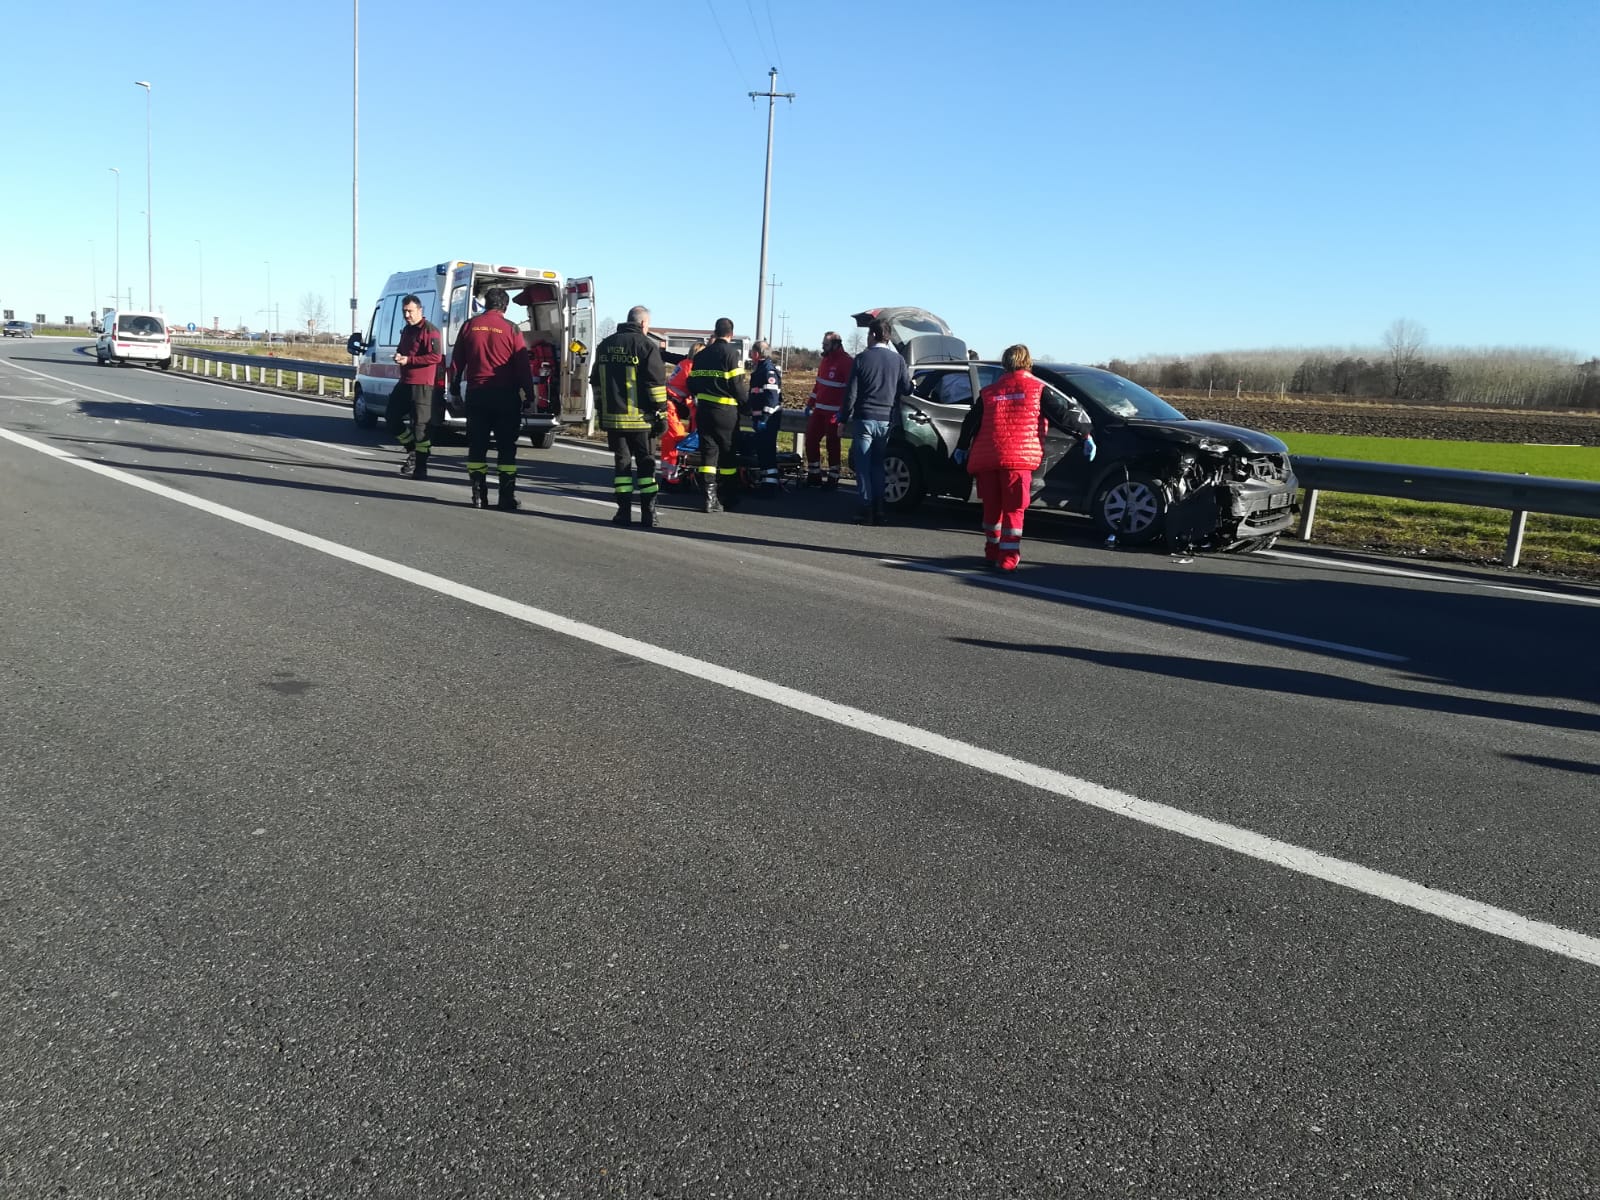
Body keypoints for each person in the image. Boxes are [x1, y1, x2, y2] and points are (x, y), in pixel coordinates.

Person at [954, 343, 1095, 571]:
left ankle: (992, 551)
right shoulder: (1037, 389)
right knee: (1014, 509)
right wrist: (1084, 435)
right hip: (1018, 460)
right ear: (1028, 362)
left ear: (1004, 364)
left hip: (987, 458)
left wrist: (961, 447)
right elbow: (1061, 415)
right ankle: (1008, 558)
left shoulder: (989, 392)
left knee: (992, 509)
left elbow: (972, 421)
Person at [447, 286, 537, 511]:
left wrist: (455, 390)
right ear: (505, 307)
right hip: (506, 397)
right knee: (507, 448)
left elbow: (457, 363)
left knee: (477, 447)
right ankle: (506, 497)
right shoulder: (512, 329)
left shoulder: (469, 326)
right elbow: (523, 367)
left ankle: (478, 496)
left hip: (477, 395)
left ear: (486, 304)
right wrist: (529, 395)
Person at [591, 305, 667, 529]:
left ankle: (623, 512)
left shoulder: (605, 345)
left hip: (614, 420)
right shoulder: (645, 346)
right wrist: (661, 414)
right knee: (646, 468)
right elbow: (655, 385)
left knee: (621, 468)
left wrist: (601, 410)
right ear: (643, 324)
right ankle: (648, 514)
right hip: (641, 421)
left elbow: (596, 382)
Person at [839, 318, 911, 525]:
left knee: (863, 467)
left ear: (872, 335)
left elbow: (850, 394)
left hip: (865, 418)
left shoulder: (862, 359)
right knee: (879, 466)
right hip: (886, 420)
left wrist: (843, 419)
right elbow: (906, 388)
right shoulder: (898, 361)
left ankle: (866, 508)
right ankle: (880, 509)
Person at [687, 317, 749, 513]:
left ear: (715, 331)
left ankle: (708, 498)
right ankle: (728, 496)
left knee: (708, 453)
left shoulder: (700, 356)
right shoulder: (732, 354)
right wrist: (747, 407)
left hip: (704, 411)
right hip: (726, 413)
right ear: (730, 334)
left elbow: (692, 384)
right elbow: (737, 386)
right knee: (728, 455)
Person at [390, 294, 443, 480]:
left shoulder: (430, 330)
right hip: (405, 382)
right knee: (391, 417)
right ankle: (411, 449)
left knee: (421, 427)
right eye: (404, 311)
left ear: (420, 310)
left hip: (423, 385)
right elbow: (402, 349)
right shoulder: (407, 330)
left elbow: (436, 357)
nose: (407, 315)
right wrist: (399, 356)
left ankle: (421, 466)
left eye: (410, 311)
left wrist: (409, 360)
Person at [805, 330, 852, 487]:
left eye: (826, 344)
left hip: (834, 412)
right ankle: (814, 474)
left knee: (832, 444)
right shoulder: (824, 361)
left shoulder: (846, 362)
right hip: (819, 410)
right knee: (811, 439)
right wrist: (809, 404)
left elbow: (850, 390)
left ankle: (833, 477)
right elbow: (818, 385)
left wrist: (843, 411)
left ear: (835, 344)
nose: (823, 347)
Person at [659, 340, 703, 486]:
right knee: (676, 438)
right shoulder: (691, 367)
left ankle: (668, 474)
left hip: (669, 403)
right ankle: (672, 478)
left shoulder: (684, 363)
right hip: (671, 405)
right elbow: (693, 389)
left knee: (669, 440)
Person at [747, 340, 783, 491]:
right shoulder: (760, 370)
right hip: (761, 419)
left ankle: (769, 486)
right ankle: (765, 482)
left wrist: (764, 418)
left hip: (768, 420)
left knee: (767, 452)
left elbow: (772, 397)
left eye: (752, 352)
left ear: (757, 353)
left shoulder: (768, 371)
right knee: (763, 451)